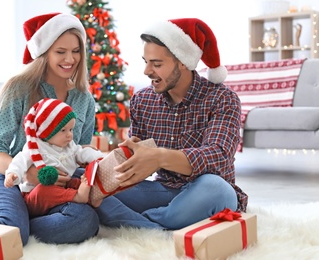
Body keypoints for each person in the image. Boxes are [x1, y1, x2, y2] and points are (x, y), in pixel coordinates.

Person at [95, 18, 248, 230]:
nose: (147, 71)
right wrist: (123, 160)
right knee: (88, 185)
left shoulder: (222, 98)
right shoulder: (142, 100)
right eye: (146, 61)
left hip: (204, 191)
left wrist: (159, 157)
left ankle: (141, 224)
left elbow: (219, 158)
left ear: (183, 61)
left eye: (157, 64)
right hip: (162, 191)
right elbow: (137, 160)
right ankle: (164, 225)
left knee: (216, 189)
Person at [0, 13, 99, 245]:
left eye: (76, 51)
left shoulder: (85, 99)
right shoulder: (19, 88)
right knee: (8, 230)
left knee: (85, 221)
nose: (70, 59)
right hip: (11, 178)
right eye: (60, 51)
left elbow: (81, 149)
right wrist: (28, 173)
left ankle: (21, 225)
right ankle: (14, 222)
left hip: (57, 189)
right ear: (44, 53)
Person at [4, 98, 105, 217]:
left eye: (71, 129)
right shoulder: (35, 147)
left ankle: (92, 197)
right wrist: (12, 174)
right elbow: (19, 162)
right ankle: (78, 197)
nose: (69, 135)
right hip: (35, 195)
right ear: (47, 132)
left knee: (78, 182)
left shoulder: (69, 145)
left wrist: (98, 158)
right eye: (63, 130)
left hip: (63, 186)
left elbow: (82, 152)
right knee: (44, 190)